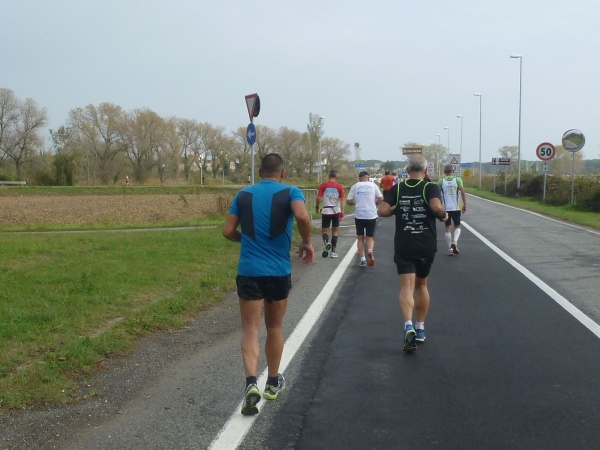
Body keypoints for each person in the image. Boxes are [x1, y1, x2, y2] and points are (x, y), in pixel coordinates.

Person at [222, 153, 315, 415]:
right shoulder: (292, 191)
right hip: (277, 271)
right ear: (282, 173)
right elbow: (303, 217)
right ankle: (272, 382)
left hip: (249, 270)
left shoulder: (243, 195)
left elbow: (227, 231)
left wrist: (245, 240)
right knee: (274, 327)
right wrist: (307, 242)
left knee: (250, 329)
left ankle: (251, 383)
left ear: (260, 172)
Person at [378, 154, 448, 352]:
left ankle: (408, 325)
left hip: (404, 243)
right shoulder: (430, 187)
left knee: (406, 287)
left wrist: (397, 209)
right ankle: (420, 328)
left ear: (407, 170)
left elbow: (382, 211)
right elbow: (436, 207)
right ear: (426, 170)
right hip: (425, 243)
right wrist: (443, 216)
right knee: (422, 285)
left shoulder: (398, 189)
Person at [346, 170, 383, 268]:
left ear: (359, 178)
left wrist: (355, 202)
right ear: (368, 177)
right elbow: (381, 198)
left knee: (360, 238)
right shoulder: (373, 186)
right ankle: (370, 250)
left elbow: (348, 201)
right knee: (369, 237)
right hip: (371, 215)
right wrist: (376, 203)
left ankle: (362, 259)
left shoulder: (355, 186)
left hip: (359, 215)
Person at [438, 164, 467, 255]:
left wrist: (439, 206)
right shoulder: (458, 180)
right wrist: (465, 204)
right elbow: (463, 192)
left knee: (448, 227)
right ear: (453, 171)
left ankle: (450, 248)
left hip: (445, 208)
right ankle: (454, 241)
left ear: (444, 172)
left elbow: (437, 195)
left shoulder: (441, 181)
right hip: (456, 207)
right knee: (457, 226)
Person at [316, 169, 346, 258]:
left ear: (328, 176)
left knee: (324, 231)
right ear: (336, 177)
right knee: (335, 231)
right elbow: (342, 199)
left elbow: (318, 198)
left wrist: (317, 207)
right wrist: (342, 212)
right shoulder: (339, 186)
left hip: (326, 210)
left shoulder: (323, 185)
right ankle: (333, 252)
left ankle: (326, 243)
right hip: (336, 210)